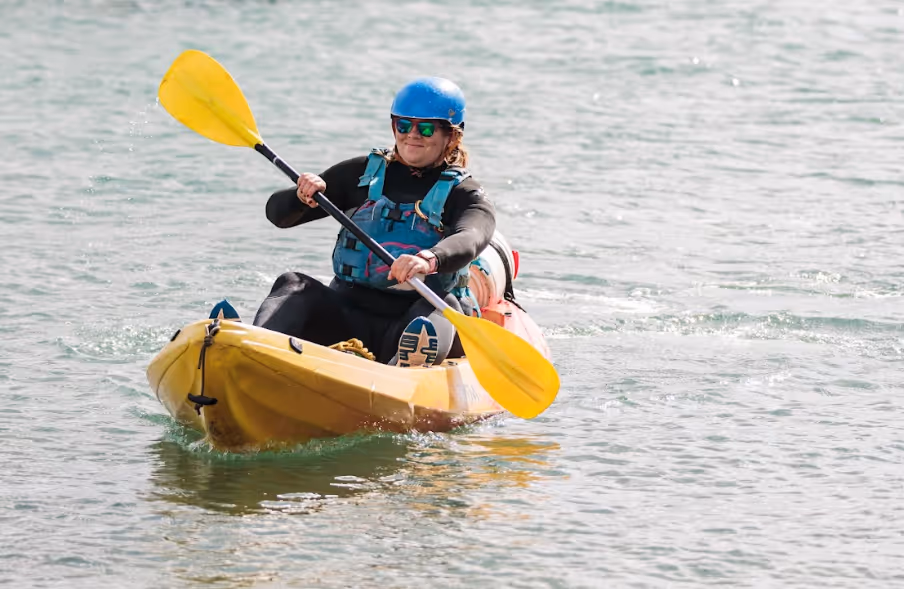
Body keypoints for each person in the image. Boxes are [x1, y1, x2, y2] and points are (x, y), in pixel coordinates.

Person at [250, 77, 496, 367]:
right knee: (292, 284)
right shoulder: (360, 175)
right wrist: (300, 197)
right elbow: (277, 215)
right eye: (404, 125)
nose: (412, 135)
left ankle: (404, 374)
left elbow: (471, 236)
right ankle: (252, 352)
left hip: (416, 319)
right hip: (349, 314)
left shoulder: (463, 194)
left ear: (452, 135)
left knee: (439, 310)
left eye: (426, 128)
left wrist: (429, 259)